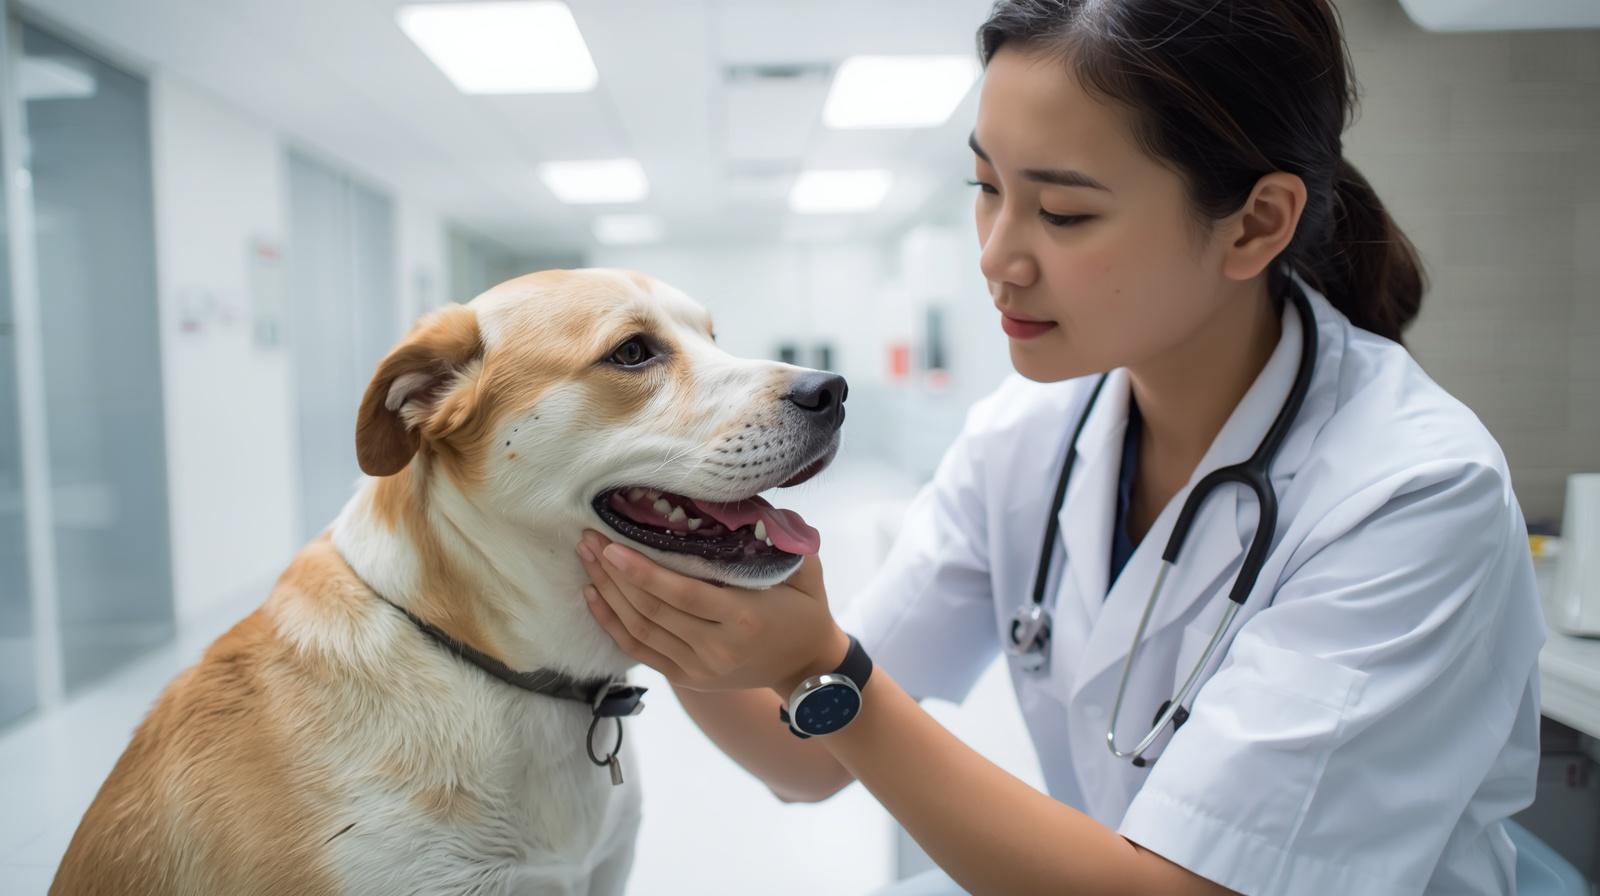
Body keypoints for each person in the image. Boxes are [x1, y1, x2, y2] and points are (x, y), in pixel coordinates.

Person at [575, 1, 1546, 892]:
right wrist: (645, 576)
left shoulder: (1413, 492)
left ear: (1253, 224)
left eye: (1063, 211)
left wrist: (828, 670)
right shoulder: (1026, 438)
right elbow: (804, 756)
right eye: (984, 186)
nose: (996, 253)